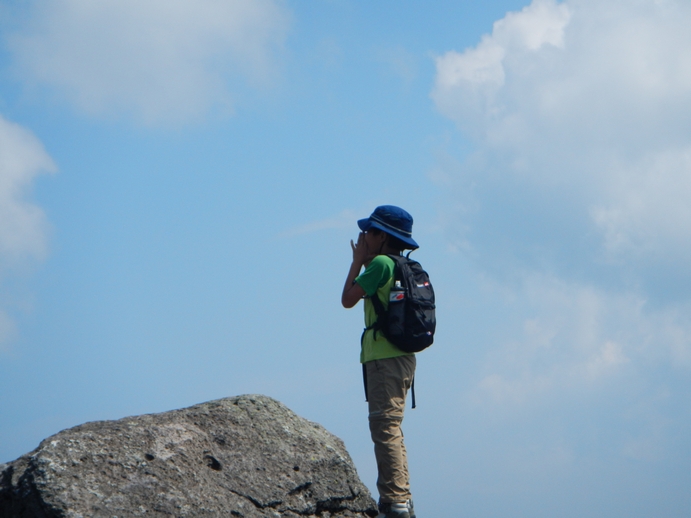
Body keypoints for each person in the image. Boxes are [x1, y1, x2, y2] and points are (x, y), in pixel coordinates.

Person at [341, 205, 419, 518]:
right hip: (401, 358)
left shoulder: (379, 265)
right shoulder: (396, 264)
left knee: (384, 427)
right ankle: (401, 498)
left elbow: (347, 298)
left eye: (369, 232)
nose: (363, 237)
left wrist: (356, 262)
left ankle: (395, 503)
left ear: (382, 235)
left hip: (383, 359)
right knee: (392, 427)